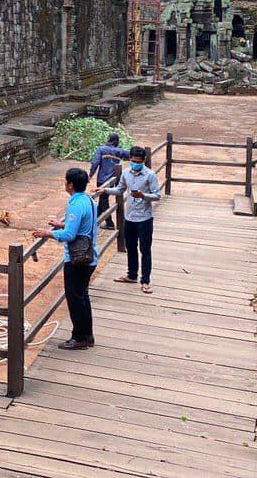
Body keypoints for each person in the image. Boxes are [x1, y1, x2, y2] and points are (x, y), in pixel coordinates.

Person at [34, 166, 97, 350]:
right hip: (89, 255)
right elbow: (83, 224)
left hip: (77, 259)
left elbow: (69, 235)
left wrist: (48, 233)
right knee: (82, 296)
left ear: (70, 184)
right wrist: (62, 224)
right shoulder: (88, 200)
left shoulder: (75, 204)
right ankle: (87, 335)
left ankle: (79, 337)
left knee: (75, 298)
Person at [104, 144, 162, 293]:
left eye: (138, 162)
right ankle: (132, 275)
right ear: (130, 159)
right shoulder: (125, 173)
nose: (135, 164)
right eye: (133, 161)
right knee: (130, 247)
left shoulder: (150, 175)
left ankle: (145, 280)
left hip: (144, 218)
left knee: (145, 249)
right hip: (129, 217)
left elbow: (157, 195)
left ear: (144, 160)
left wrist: (143, 196)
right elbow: (120, 190)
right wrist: (104, 190)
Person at [90, 133, 129, 230]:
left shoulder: (101, 149)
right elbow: (132, 155)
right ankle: (95, 220)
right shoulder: (120, 151)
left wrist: (90, 175)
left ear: (108, 139)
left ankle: (109, 223)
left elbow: (95, 163)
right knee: (103, 199)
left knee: (104, 200)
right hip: (112, 180)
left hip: (101, 179)